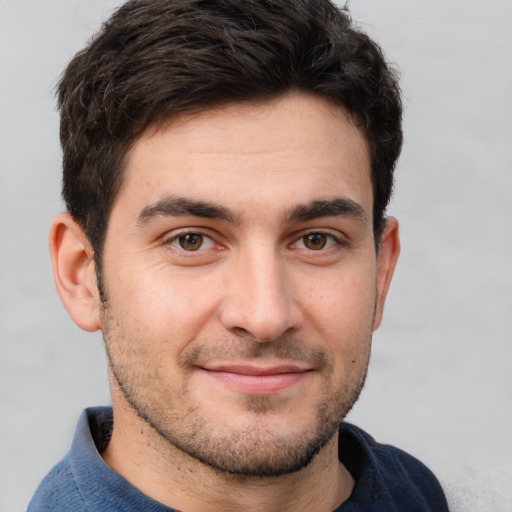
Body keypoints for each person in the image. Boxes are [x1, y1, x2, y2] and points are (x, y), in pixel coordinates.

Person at [28, 0, 449, 510]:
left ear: (380, 272)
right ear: (81, 275)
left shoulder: (419, 495)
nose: (265, 316)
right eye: (191, 240)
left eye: (316, 240)